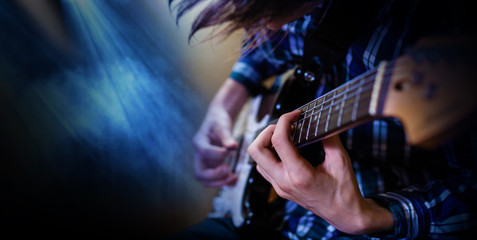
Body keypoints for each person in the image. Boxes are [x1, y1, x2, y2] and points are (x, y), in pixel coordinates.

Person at [168, 0, 477, 239]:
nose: (262, 22)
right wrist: (224, 106)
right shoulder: (297, 10)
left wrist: (371, 217)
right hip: (254, 214)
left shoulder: (432, 22)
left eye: (263, 6)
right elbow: (268, 43)